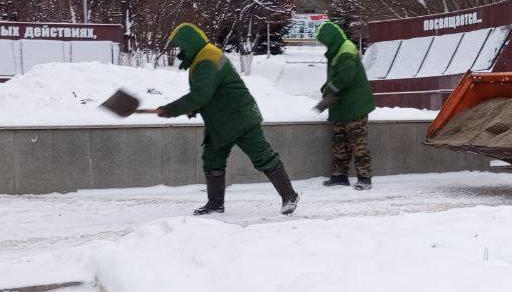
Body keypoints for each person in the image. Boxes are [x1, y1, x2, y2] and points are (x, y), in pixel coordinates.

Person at [157, 22, 299, 215]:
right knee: (212, 159)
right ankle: (215, 205)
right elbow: (212, 92)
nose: (180, 51)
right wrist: (196, 107)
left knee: (263, 156)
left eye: (181, 46)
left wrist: (170, 109)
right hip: (221, 122)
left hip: (241, 118)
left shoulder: (207, 59)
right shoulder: (205, 55)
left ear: (189, 43)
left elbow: (200, 94)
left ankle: (289, 196)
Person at [314, 20, 375, 190]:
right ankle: (339, 175)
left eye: (323, 41)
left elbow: (346, 76)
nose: (323, 45)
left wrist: (330, 88)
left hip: (355, 105)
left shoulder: (346, 50)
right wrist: (327, 89)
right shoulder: (337, 50)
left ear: (330, 39)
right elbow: (337, 76)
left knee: (358, 142)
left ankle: (364, 177)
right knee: (339, 141)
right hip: (341, 105)